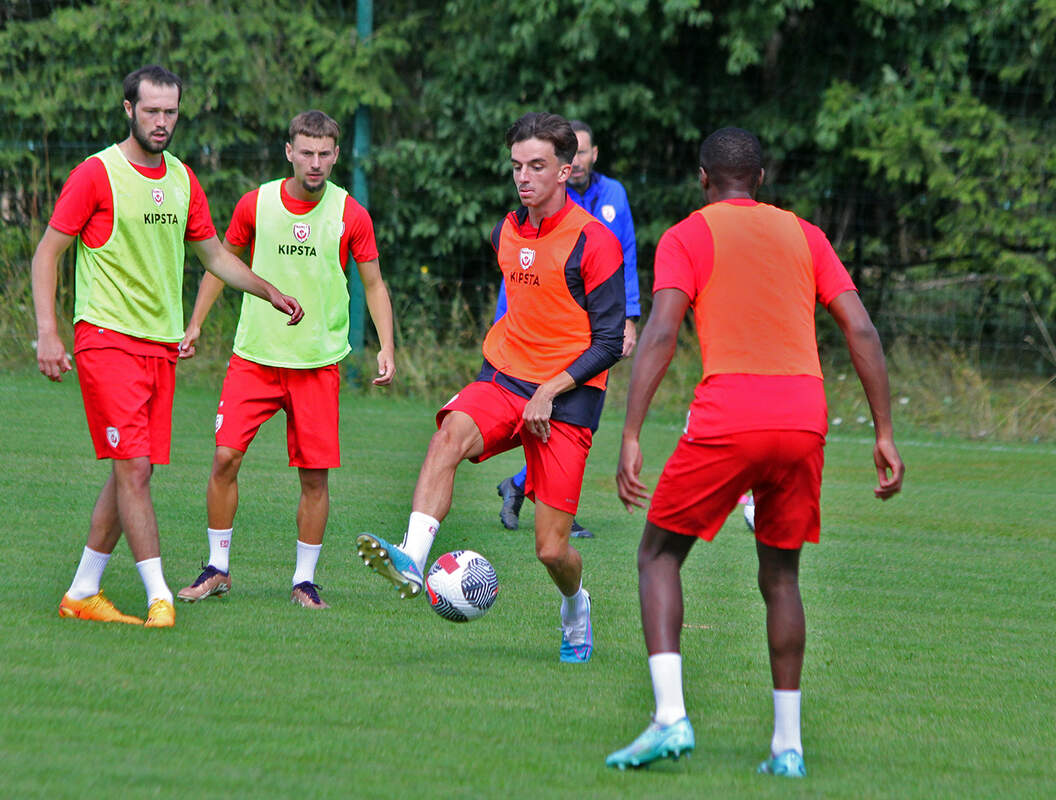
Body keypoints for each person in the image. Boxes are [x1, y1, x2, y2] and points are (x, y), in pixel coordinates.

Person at [606, 127, 903, 775]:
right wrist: (882, 430)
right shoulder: (805, 233)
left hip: (732, 410)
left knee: (657, 554)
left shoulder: (689, 234)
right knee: (782, 576)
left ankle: (669, 719)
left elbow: (660, 331)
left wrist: (630, 433)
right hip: (804, 413)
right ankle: (787, 747)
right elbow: (860, 327)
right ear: (762, 179)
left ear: (704, 179)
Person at [32, 65, 303, 629]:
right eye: (151, 111)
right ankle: (161, 597)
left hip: (160, 347)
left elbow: (216, 256)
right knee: (132, 468)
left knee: (132, 470)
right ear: (127, 109)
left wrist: (268, 290)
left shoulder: (182, 179)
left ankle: (83, 590)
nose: (161, 122)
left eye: (170, 112)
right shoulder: (96, 174)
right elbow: (47, 253)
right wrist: (49, 331)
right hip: (105, 338)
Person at [356, 112, 625, 663]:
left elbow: (608, 342)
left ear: (566, 170)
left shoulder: (595, 241)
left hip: (568, 400)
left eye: (537, 166)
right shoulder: (509, 229)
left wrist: (550, 391)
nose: (523, 177)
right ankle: (412, 556)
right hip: (503, 380)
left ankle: (576, 609)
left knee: (552, 550)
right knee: (448, 434)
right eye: (516, 166)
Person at [176, 110, 395, 610]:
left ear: (337, 155)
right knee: (225, 458)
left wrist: (386, 344)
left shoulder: (351, 214)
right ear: (289, 151)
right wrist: (196, 322)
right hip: (254, 358)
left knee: (314, 477)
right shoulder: (257, 204)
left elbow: (374, 283)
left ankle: (304, 580)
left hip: (317, 364)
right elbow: (219, 264)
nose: (315, 163)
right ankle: (217, 567)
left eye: (324, 154)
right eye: (306, 152)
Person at [494, 119, 640, 539]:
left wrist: (628, 317)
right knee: (555, 422)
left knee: (581, 423)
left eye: (584, 152)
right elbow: (521, 265)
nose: (576, 162)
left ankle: (522, 486)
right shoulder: (545, 196)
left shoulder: (612, 195)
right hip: (533, 329)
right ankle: (549, 504)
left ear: (592, 156)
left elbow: (624, 253)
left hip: (590, 328)